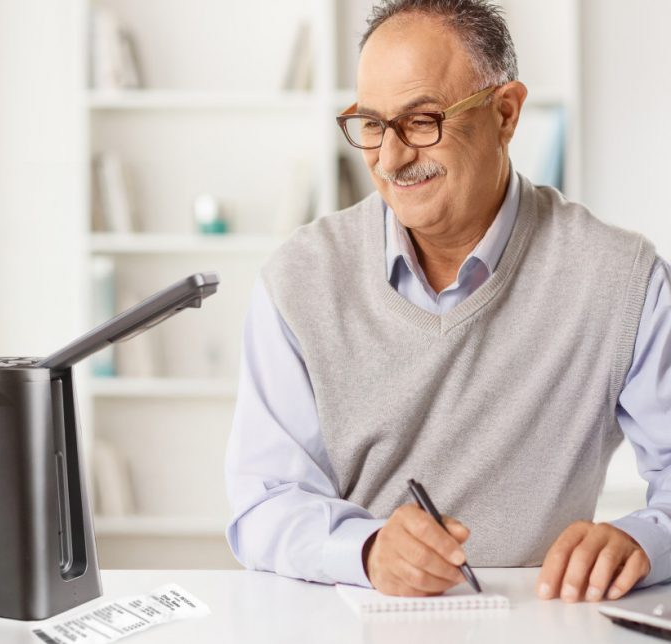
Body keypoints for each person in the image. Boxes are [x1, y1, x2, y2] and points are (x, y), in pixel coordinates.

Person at [225, 0, 671, 603]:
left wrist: (643, 541)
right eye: (373, 125)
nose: (390, 158)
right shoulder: (301, 278)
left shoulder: (622, 278)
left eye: (421, 121)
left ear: (506, 113)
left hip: (541, 622)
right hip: (353, 618)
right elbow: (264, 502)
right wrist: (367, 550)